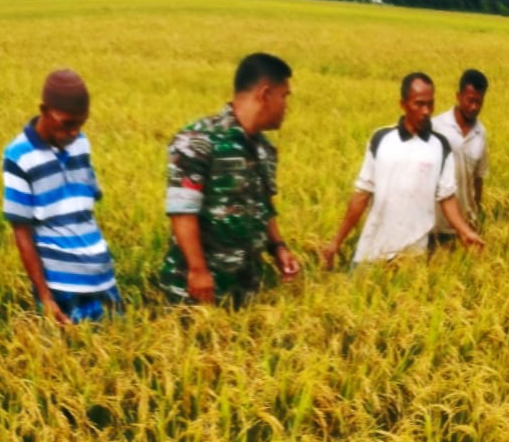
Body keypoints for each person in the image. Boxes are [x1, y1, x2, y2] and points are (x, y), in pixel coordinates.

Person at [158, 52, 301, 307]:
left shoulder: (264, 149)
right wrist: (198, 270)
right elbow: (182, 211)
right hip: (197, 288)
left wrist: (278, 247)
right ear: (265, 94)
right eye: (284, 96)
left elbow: (263, 206)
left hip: (246, 287)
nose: (286, 106)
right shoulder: (198, 140)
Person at [320, 72, 484, 269]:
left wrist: (465, 232)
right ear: (403, 104)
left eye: (430, 104)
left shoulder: (441, 146)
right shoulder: (380, 139)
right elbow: (361, 195)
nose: (426, 111)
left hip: (412, 257)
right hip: (372, 253)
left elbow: (447, 197)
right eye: (419, 104)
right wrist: (336, 242)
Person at [2, 69, 122, 324]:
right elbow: (21, 231)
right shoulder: (18, 155)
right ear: (45, 111)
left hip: (103, 279)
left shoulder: (81, 143)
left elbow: (84, 212)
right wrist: (45, 298)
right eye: (67, 123)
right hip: (62, 287)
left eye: (81, 124)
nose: (73, 133)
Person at [429, 69, 489, 250]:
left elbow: (478, 179)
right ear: (458, 96)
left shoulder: (481, 134)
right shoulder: (436, 127)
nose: (474, 107)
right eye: (470, 100)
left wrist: (475, 215)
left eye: (479, 102)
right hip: (434, 224)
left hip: (463, 227)